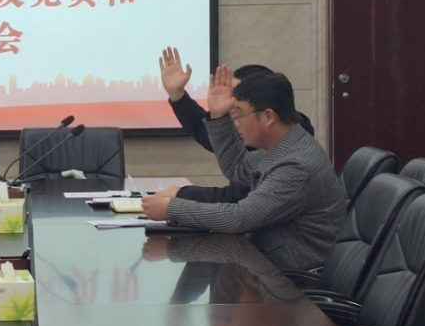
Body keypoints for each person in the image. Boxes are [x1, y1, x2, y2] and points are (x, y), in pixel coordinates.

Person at [141, 66, 347, 270]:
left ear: (267, 117)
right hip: (265, 264)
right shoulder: (283, 145)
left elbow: (240, 218)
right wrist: (218, 116)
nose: (236, 124)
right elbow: (238, 167)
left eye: (239, 115)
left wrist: (172, 208)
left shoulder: (295, 166)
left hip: (292, 278)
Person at [158, 46, 315, 203]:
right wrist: (177, 95)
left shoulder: (287, 151)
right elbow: (216, 141)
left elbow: (239, 204)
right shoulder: (274, 129)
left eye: (237, 101)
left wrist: (180, 196)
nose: (230, 105)